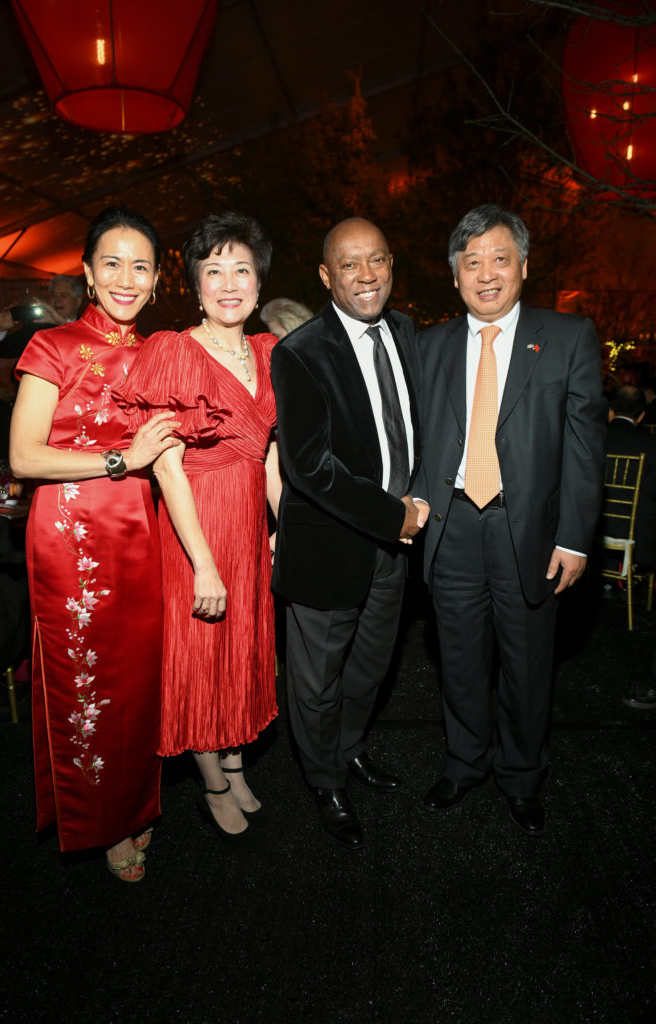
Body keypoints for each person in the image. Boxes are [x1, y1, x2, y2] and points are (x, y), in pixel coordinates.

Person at [414, 203, 606, 836]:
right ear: (455, 274)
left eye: (500, 258)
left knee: (527, 664)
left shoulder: (568, 336)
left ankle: (523, 775)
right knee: (460, 660)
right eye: (472, 262)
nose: (487, 273)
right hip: (452, 528)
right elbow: (413, 437)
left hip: (531, 533)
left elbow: (584, 448)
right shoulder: (431, 342)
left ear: (523, 264)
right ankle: (465, 763)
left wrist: (576, 538)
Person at [9, 207, 180, 882]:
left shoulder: (163, 352)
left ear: (160, 277)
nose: (125, 277)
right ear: (85, 271)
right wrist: (119, 460)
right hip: (70, 537)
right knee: (89, 685)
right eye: (111, 262)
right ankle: (103, 820)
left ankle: (135, 806)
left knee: (138, 684)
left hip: (142, 532)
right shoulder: (51, 346)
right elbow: (24, 457)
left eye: (141, 265)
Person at [115, 212, 280, 843]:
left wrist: (281, 524)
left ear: (260, 285)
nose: (229, 283)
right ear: (196, 284)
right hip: (196, 529)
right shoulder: (174, 352)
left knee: (241, 649)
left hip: (247, 528)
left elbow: (267, 455)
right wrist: (204, 562)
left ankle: (235, 764)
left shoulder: (266, 353)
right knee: (200, 658)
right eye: (214, 271)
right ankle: (212, 781)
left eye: (242, 269)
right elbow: (168, 470)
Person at [270, 217, 422, 850]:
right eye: (350, 264)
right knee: (317, 683)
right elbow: (308, 466)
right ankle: (325, 779)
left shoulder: (409, 332)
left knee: (369, 669)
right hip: (330, 548)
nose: (367, 275)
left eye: (378, 260)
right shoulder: (298, 352)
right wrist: (396, 515)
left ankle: (352, 748)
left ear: (391, 265)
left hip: (394, 552)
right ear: (327, 276)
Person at [604, 384, 656, 571]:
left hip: (595, 526)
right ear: (641, 415)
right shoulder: (650, 445)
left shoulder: (594, 438)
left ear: (610, 411)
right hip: (635, 532)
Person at [0, 275, 84, 361]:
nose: (57, 300)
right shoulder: (39, 325)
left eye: (63, 296)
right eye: (53, 295)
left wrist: (64, 325)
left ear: (78, 301)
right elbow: (0, 351)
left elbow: (88, 354)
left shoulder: (88, 325)